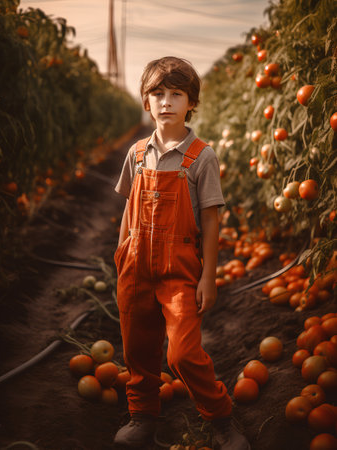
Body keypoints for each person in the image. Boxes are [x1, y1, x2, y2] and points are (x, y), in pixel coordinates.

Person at [113, 56, 250, 450]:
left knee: (183, 353)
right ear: (146, 101)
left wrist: (208, 275)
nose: (167, 101)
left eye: (177, 94)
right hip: (136, 265)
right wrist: (121, 255)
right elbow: (128, 207)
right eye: (158, 93)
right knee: (137, 347)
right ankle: (142, 417)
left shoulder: (201, 156)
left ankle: (221, 417)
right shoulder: (137, 154)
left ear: (191, 103)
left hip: (179, 268)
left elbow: (210, 219)